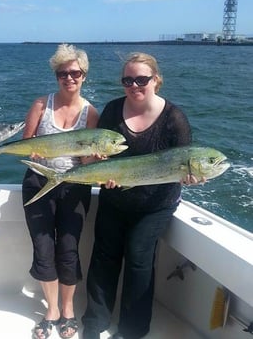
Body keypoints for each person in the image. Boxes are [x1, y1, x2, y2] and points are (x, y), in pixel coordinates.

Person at [82, 52, 201, 339]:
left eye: (141, 79)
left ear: (156, 80)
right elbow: (95, 159)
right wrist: (96, 163)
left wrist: (191, 178)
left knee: (138, 257)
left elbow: (184, 165)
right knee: (103, 256)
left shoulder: (174, 119)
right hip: (114, 196)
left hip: (155, 205)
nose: (134, 85)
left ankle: (133, 330)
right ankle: (95, 323)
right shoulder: (111, 111)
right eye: (127, 80)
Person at [22, 44, 99, 339]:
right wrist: (35, 156)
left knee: (68, 249)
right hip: (38, 183)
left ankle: (68, 309)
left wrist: (96, 158)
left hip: (74, 187)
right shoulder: (42, 105)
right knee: (43, 248)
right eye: (62, 73)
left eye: (74, 73)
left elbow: (85, 161)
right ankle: (51, 310)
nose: (69, 78)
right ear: (56, 76)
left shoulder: (91, 112)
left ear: (84, 76)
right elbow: (26, 145)